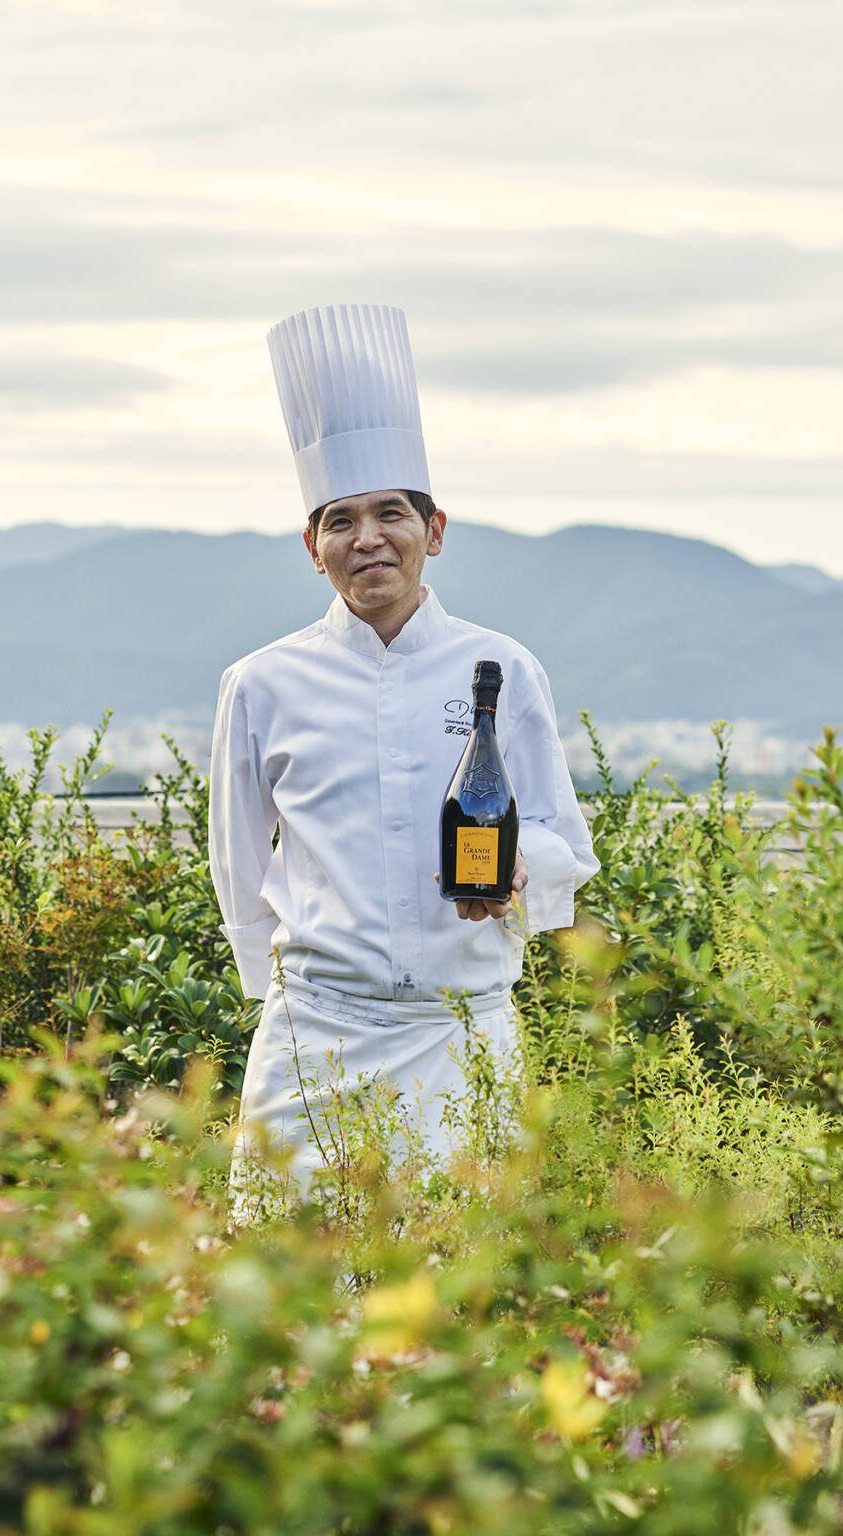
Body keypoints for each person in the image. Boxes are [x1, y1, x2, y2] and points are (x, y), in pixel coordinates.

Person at [208, 302, 600, 1205]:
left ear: (436, 529)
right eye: (340, 520)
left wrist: (517, 875)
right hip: (314, 1036)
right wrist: (282, 995)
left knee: (463, 1268)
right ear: (313, 548)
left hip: (463, 1030)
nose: (368, 538)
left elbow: (557, 834)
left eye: (391, 513)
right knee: (292, 1268)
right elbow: (238, 867)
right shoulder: (262, 683)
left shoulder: (502, 667)